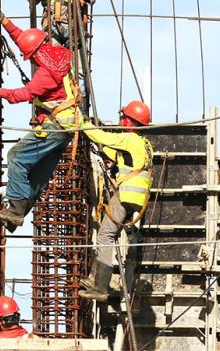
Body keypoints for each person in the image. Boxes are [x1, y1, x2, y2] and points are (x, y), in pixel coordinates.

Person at [0, 16, 81, 230]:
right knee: (38, 175)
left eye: (30, 58)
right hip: (65, 128)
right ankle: (17, 214)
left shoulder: (46, 74)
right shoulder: (55, 54)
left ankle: (15, 210)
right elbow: (25, 39)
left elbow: (24, 94)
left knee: (16, 157)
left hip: (54, 126)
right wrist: (3, 20)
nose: (30, 61)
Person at [79, 100, 153, 302]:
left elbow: (103, 137)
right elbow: (118, 154)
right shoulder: (144, 144)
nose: (121, 120)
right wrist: (102, 150)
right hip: (136, 199)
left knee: (105, 236)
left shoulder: (129, 138)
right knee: (108, 234)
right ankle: (94, 278)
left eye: (124, 117)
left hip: (126, 195)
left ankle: (100, 287)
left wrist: (84, 124)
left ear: (129, 121)